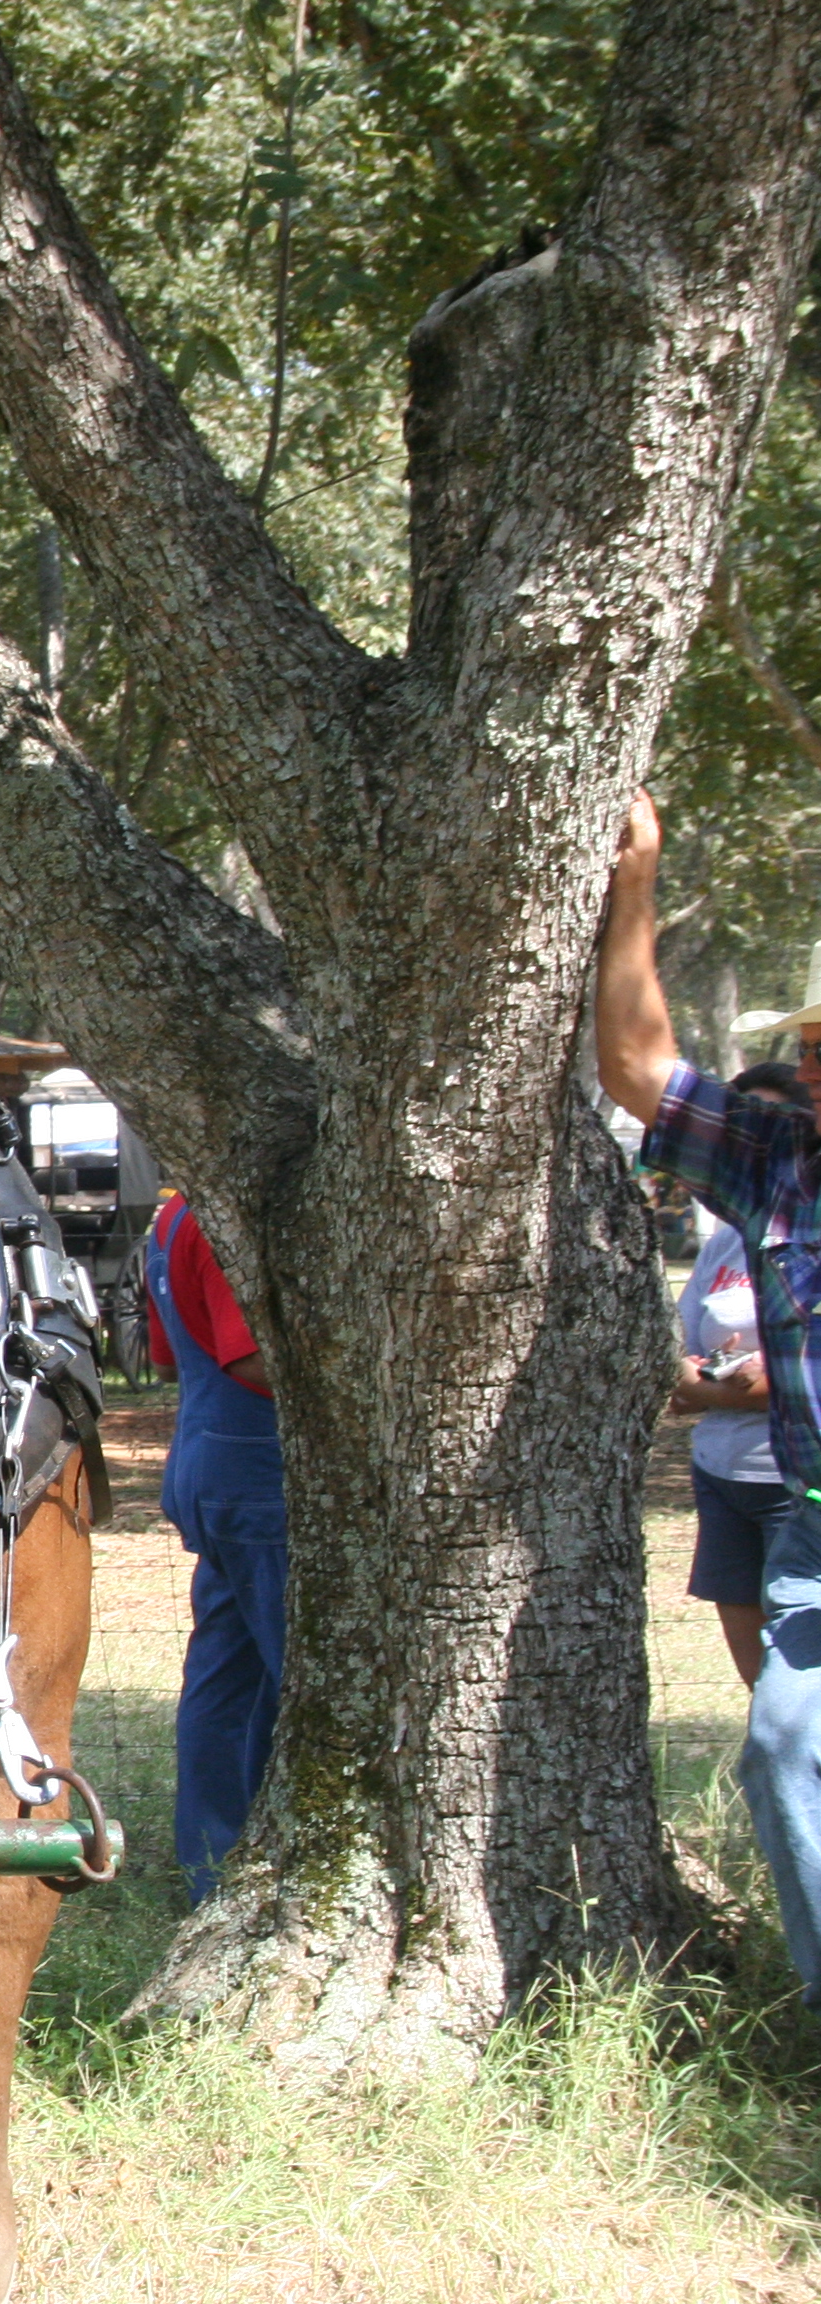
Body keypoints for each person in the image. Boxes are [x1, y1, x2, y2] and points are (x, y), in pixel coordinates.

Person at [602, 787, 821, 2001]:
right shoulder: (782, 1167)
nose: (812, 1070)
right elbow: (638, 1069)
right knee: (785, 1752)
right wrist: (637, 884)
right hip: (811, 1529)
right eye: (812, 1051)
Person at [138, 1187, 284, 1903]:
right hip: (264, 1471)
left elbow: (167, 1358)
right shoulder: (231, 1217)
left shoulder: (171, 1214)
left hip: (211, 1457)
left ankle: (212, 1869)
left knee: (227, 1678)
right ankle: (250, 1869)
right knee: (298, 1675)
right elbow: (252, 1360)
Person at [673, 1062, 814, 1691]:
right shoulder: (723, 1242)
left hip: (795, 1488)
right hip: (721, 1475)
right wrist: (722, 1383)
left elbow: (797, 1378)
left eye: (766, 1120)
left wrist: (745, 1384)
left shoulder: (802, 1222)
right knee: (769, 1705)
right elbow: (674, 1366)